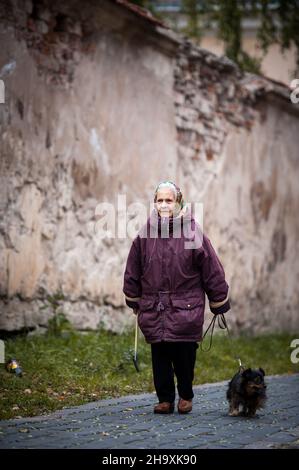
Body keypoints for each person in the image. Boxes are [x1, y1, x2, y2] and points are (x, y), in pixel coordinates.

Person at [123, 181, 230, 414]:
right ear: (154, 203)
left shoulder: (192, 232)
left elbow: (211, 267)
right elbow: (133, 267)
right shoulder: (145, 234)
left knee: (184, 356)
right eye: (159, 200)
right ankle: (165, 398)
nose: (163, 205)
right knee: (159, 355)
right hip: (154, 306)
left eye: (168, 200)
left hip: (186, 307)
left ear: (178, 203)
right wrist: (133, 297)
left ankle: (185, 394)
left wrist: (218, 299)